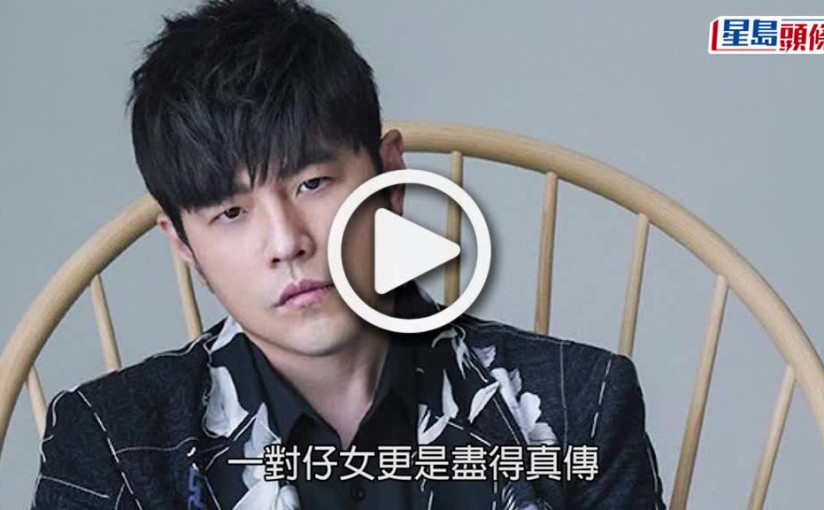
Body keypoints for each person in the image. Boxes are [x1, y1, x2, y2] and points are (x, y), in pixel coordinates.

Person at [31, 0, 665, 508]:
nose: (287, 242)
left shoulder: (577, 404)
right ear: (183, 246)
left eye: (312, 183)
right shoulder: (112, 442)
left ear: (390, 177)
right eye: (230, 213)